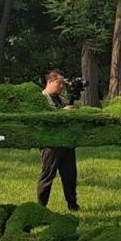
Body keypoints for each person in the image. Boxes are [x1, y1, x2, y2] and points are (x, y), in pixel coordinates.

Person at [37, 70, 80, 211]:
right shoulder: (41, 99)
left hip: (66, 143)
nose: (62, 86)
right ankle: (41, 207)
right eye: (59, 83)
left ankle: (72, 205)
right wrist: (63, 112)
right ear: (49, 81)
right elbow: (44, 118)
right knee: (48, 175)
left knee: (70, 176)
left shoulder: (62, 99)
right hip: (51, 144)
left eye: (63, 83)